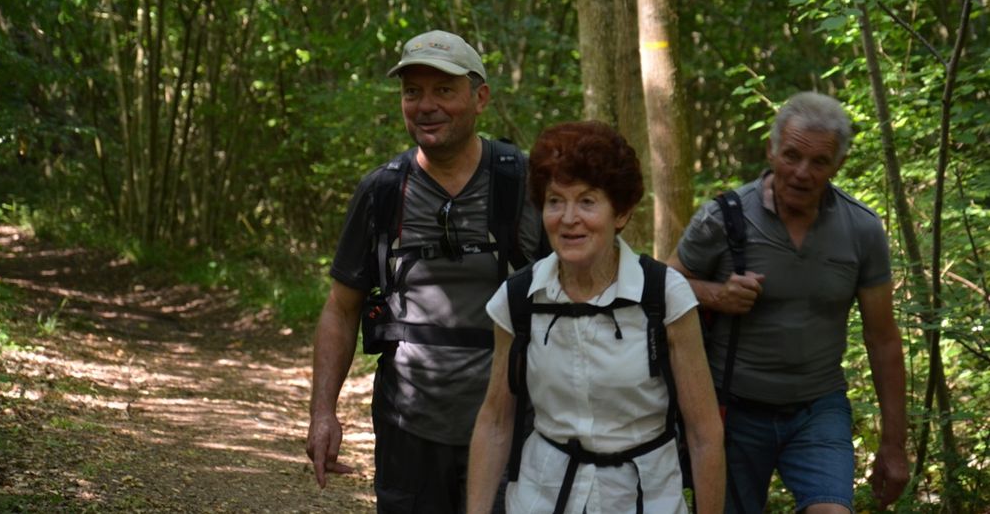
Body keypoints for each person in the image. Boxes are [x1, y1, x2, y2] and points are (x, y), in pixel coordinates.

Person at [305, 29, 544, 513]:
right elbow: (340, 307)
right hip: (407, 427)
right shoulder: (382, 192)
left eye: (443, 90)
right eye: (412, 92)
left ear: (480, 98)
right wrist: (322, 413)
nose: (425, 105)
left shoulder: (523, 183)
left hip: (513, 422)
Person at [668, 91, 908, 513]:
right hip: (733, 411)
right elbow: (664, 284)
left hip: (819, 409)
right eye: (792, 155)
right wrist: (716, 295)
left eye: (819, 162)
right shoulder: (723, 218)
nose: (802, 172)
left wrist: (894, 445)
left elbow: (883, 339)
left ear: (838, 165)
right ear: (771, 149)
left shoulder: (862, 230)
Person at [467, 120, 724, 514]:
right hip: (543, 500)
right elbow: (496, 421)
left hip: (645, 501)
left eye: (587, 201)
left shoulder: (664, 295)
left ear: (619, 213)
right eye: (556, 201)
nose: (569, 218)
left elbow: (704, 433)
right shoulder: (519, 299)